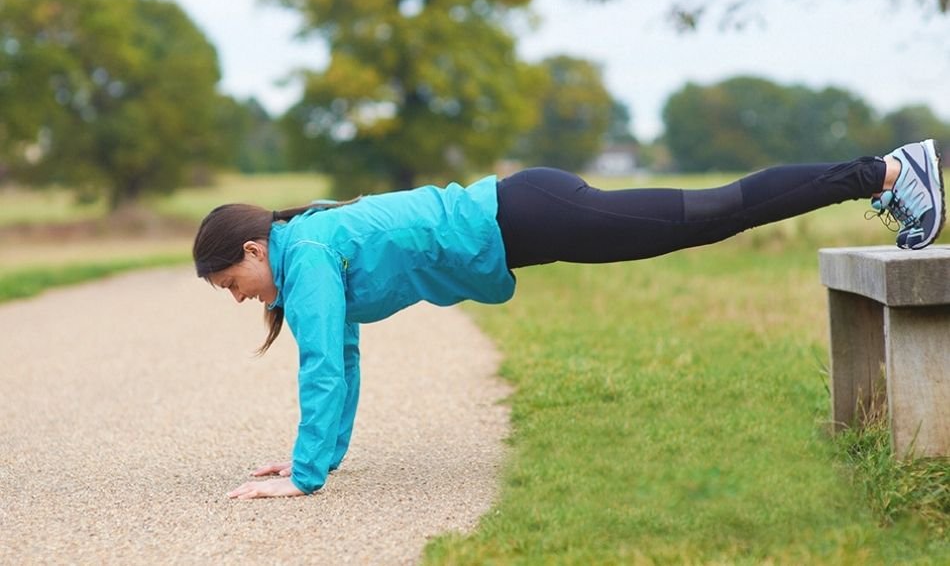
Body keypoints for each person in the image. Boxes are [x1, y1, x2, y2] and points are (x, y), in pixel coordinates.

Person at [192, 138, 944, 500]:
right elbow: (342, 361)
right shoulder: (309, 252)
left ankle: (882, 172)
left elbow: (321, 362)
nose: (238, 298)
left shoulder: (309, 254)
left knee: (710, 213)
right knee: (706, 217)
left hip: (527, 214)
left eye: (232, 281)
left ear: (256, 248)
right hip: (526, 214)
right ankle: (883, 175)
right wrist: (313, 459)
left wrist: (305, 476)